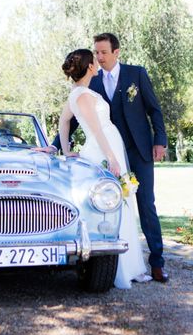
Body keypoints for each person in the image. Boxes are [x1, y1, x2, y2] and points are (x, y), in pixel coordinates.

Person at [45, 33, 169, 283]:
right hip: (108, 152)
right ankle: (111, 262)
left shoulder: (137, 74)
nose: (99, 57)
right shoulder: (91, 80)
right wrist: (56, 146)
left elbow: (154, 109)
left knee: (146, 204)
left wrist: (160, 141)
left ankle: (157, 262)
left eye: (103, 52)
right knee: (109, 204)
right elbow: (81, 117)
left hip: (139, 150)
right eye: (96, 53)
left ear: (116, 52)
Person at [58, 48, 151, 289]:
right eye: (94, 59)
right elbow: (97, 129)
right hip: (102, 150)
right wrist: (111, 157)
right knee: (115, 205)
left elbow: (64, 122)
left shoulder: (78, 93)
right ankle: (123, 268)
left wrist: (67, 148)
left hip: (107, 147)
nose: (98, 62)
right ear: (89, 67)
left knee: (120, 202)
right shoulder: (84, 96)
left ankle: (131, 266)